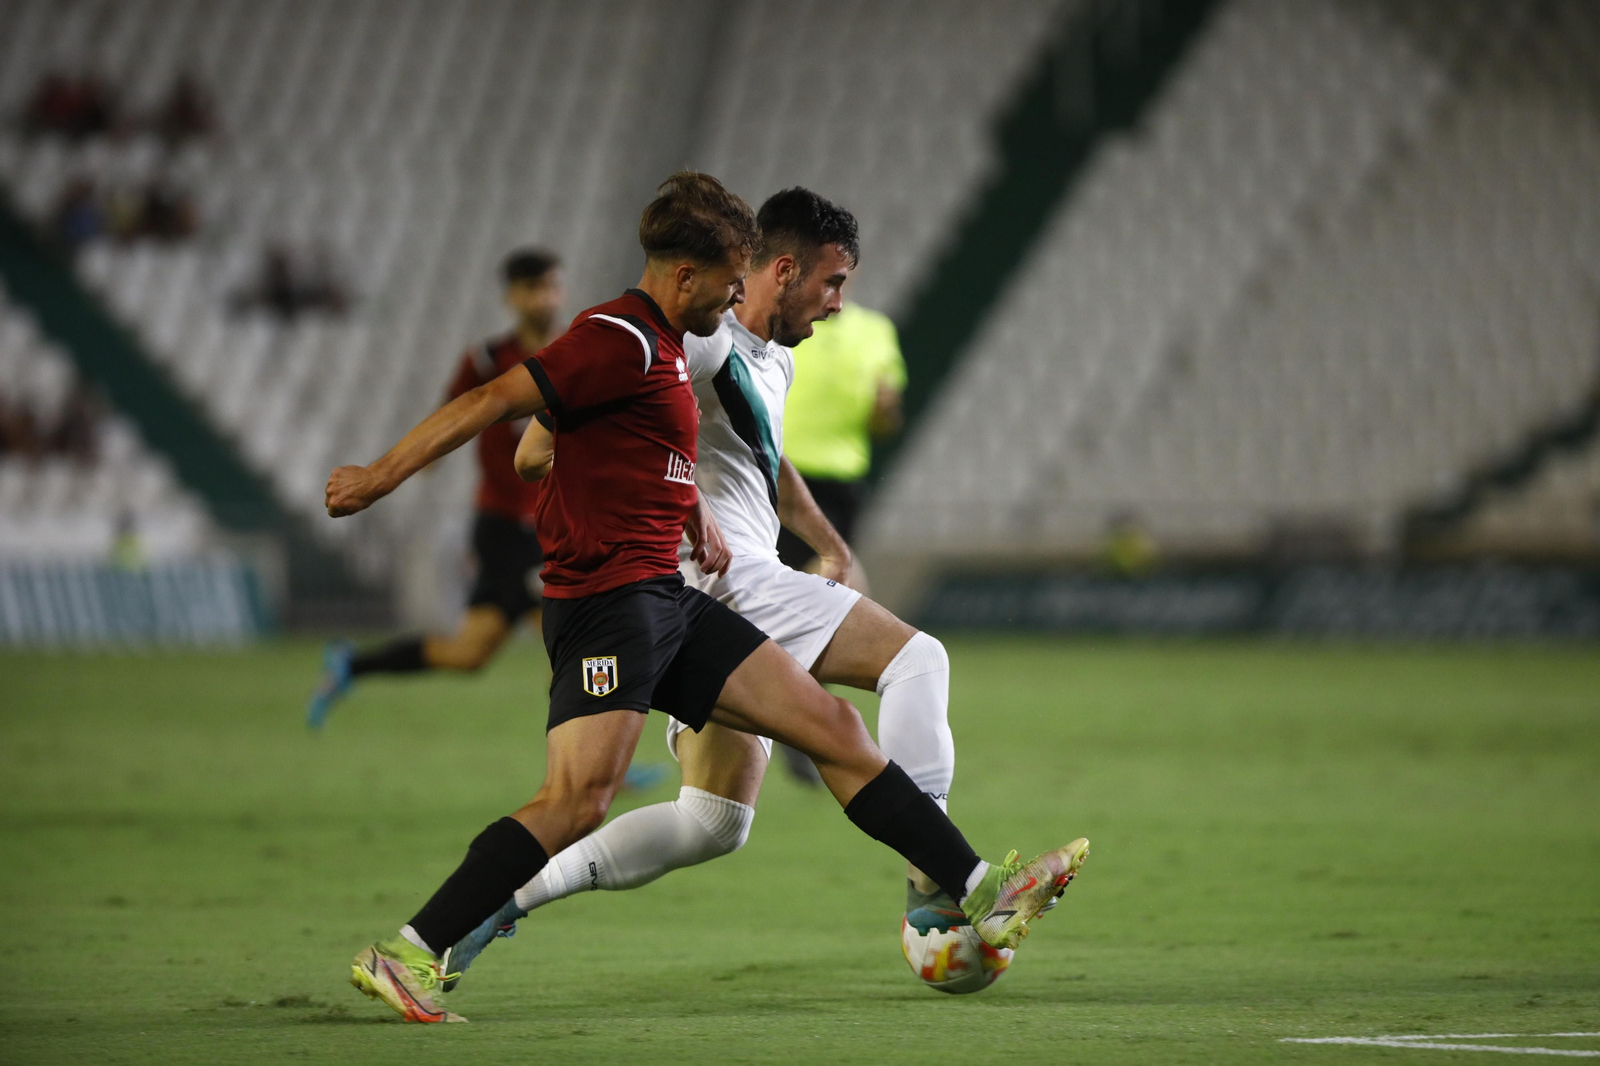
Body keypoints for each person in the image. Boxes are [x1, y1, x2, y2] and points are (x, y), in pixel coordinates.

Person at [324, 172, 1087, 1023]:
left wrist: (684, 502)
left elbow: (669, 436)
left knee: (800, 754)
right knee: (577, 798)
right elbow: (510, 422)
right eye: (731, 279)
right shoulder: (628, 336)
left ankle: (983, 888)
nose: (736, 295)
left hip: (671, 599)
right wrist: (375, 478)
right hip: (611, 601)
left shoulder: (687, 344)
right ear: (692, 277)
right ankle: (411, 950)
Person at [306, 250, 565, 728]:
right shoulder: (489, 361)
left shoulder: (571, 355)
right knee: (567, 638)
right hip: (507, 527)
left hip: (545, 523)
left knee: (468, 654)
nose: (544, 297)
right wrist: (419, 462)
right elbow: (453, 415)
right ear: (512, 296)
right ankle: (597, 760)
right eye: (533, 287)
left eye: (550, 286)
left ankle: (351, 665)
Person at [774, 299, 906, 578]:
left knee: (823, 579)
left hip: (841, 484)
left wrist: (885, 409)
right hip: (784, 472)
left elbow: (886, 424)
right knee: (833, 577)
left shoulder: (876, 330)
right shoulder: (778, 324)